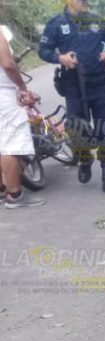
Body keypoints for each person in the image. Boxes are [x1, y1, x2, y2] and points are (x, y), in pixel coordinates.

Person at [38, 0, 105, 195]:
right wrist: (60, 57)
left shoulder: (97, 20)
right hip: (73, 85)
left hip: (99, 83)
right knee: (78, 131)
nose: (85, 0)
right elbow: (43, 50)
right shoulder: (56, 23)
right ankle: (85, 161)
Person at [0, 25, 45, 208]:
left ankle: (2, 191)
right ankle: (15, 195)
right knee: (10, 144)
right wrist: (23, 88)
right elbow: (8, 64)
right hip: (3, 95)